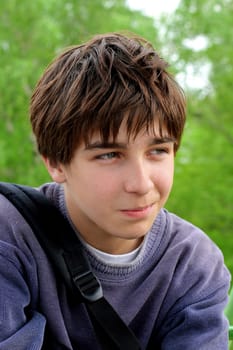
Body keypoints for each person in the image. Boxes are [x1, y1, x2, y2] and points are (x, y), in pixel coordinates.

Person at [0, 32, 230, 349]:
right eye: (109, 155)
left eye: (158, 151)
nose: (141, 184)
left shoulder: (193, 265)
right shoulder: (9, 237)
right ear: (55, 163)